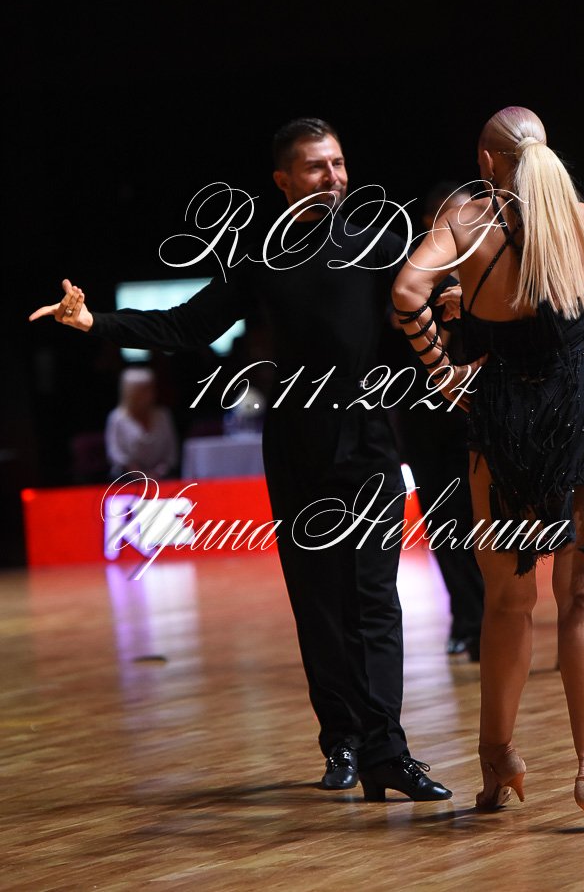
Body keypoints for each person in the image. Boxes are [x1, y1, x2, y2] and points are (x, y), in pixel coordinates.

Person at [29, 117, 452, 803]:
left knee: (376, 599)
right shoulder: (260, 254)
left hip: (370, 437)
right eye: (316, 167)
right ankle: (342, 740)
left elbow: (430, 298)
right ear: (284, 180)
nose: (334, 177)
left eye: (339, 163)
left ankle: (387, 749)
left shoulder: (380, 239)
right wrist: (93, 322)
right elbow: (186, 325)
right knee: (318, 602)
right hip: (297, 442)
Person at [391, 106, 584, 829]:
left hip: (502, 415)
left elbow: (406, 295)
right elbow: (558, 307)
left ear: (485, 161)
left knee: (507, 600)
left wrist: (444, 371)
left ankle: (497, 755)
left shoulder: (462, 221)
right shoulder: (582, 219)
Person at [389, 181, 484, 660]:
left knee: (489, 523)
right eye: (456, 215)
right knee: (445, 524)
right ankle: (466, 620)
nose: (468, 225)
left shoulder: (490, 268)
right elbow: (399, 325)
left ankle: (494, 619)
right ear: (431, 222)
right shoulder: (412, 272)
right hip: (426, 419)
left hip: (484, 416)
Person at [105, 367, 179, 479]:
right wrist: (139, 474)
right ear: (129, 393)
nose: (147, 395)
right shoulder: (117, 418)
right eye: (140, 391)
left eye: (149, 390)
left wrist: (157, 473)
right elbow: (116, 454)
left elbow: (171, 453)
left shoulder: (163, 415)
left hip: (161, 477)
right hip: (126, 478)